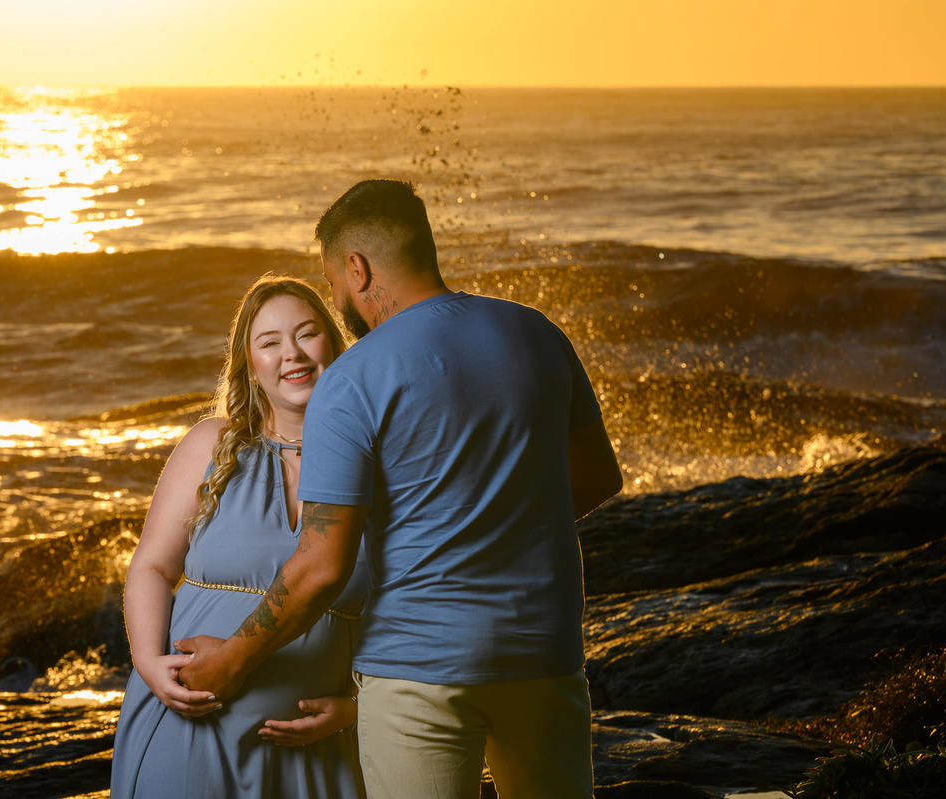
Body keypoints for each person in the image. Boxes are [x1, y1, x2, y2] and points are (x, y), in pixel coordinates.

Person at [177, 179, 623, 799]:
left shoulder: (355, 377)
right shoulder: (537, 334)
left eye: (332, 283)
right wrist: (495, 516)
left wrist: (229, 663)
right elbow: (602, 475)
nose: (338, 299)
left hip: (417, 669)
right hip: (543, 652)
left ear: (355, 269)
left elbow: (319, 567)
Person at [109, 274, 369, 798]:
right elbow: (153, 567)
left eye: (307, 333)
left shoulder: (379, 463)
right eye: (269, 343)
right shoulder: (212, 445)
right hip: (189, 727)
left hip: (314, 751)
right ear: (250, 366)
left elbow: (409, 605)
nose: (291, 354)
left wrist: (361, 710)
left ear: (335, 345)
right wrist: (147, 664)